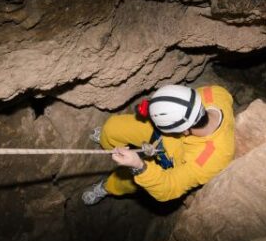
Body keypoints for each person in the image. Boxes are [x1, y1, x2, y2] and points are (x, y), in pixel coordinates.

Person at [82, 84, 235, 205]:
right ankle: (106, 142)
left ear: (185, 131)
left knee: (128, 181)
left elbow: (170, 187)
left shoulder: (212, 159)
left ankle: (107, 188)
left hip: (170, 162)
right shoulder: (213, 93)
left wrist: (139, 166)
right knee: (112, 128)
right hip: (162, 134)